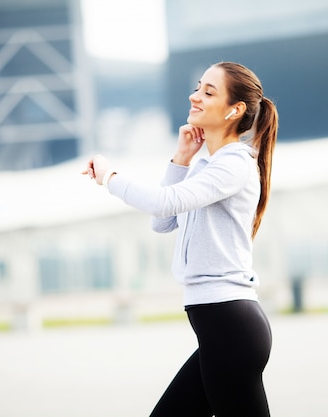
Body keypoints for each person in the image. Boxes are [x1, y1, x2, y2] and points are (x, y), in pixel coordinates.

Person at [83, 61, 278, 417]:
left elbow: (162, 201)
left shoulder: (234, 164)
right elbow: (163, 222)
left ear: (235, 110)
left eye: (208, 91)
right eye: (197, 87)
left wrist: (110, 176)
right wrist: (181, 160)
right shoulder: (209, 166)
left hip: (231, 325)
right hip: (222, 329)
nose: (195, 96)